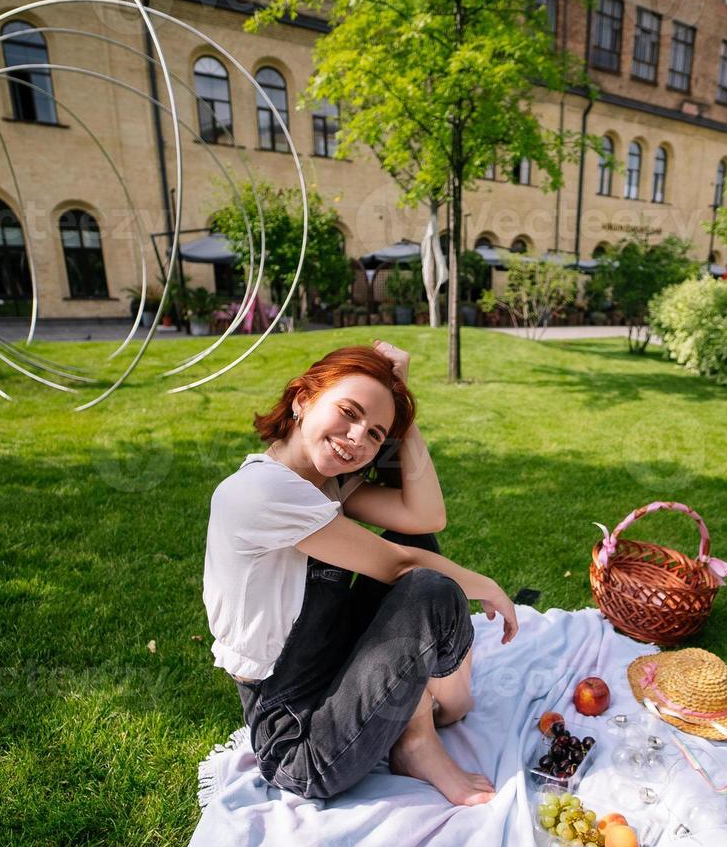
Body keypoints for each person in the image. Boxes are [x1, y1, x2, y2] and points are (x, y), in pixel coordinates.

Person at [204, 340, 518, 806]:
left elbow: (424, 516)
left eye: (375, 434)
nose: (356, 437)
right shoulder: (263, 491)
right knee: (429, 586)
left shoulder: (317, 481)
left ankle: (424, 719)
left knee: (416, 545)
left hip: (328, 660)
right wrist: (488, 588)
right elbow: (399, 566)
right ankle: (421, 737)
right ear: (302, 398)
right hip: (299, 740)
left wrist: (399, 403)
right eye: (348, 412)